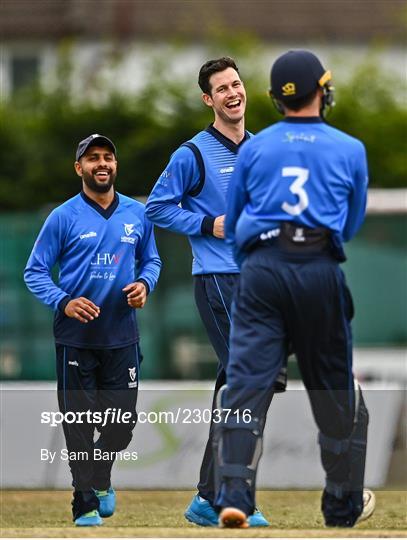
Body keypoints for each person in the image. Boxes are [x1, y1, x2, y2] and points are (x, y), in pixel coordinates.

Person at [214, 50, 375, 528]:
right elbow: (350, 223)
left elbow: (236, 218)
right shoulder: (350, 148)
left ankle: (235, 495)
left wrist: (259, 262)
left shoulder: (255, 149)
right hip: (318, 268)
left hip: (262, 268)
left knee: (245, 385)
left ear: (274, 99)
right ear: (322, 91)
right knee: (332, 389)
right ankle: (341, 504)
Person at [146, 57, 285, 527]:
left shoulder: (262, 149)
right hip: (219, 280)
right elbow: (157, 208)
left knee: (242, 384)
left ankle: (209, 496)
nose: (233, 92)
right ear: (209, 99)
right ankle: (232, 495)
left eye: (237, 84)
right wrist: (208, 223)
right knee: (251, 380)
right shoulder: (193, 154)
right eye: (222, 88)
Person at [24, 134, 161, 526]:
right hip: (75, 339)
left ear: (115, 165)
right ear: (79, 168)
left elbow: (152, 261)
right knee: (79, 424)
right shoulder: (63, 217)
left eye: (108, 158)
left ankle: (100, 476)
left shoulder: (138, 213)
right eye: (92, 159)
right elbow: (35, 271)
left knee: (121, 427)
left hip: (122, 337)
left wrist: (144, 284)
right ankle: (83, 501)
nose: (102, 164)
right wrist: (64, 300)